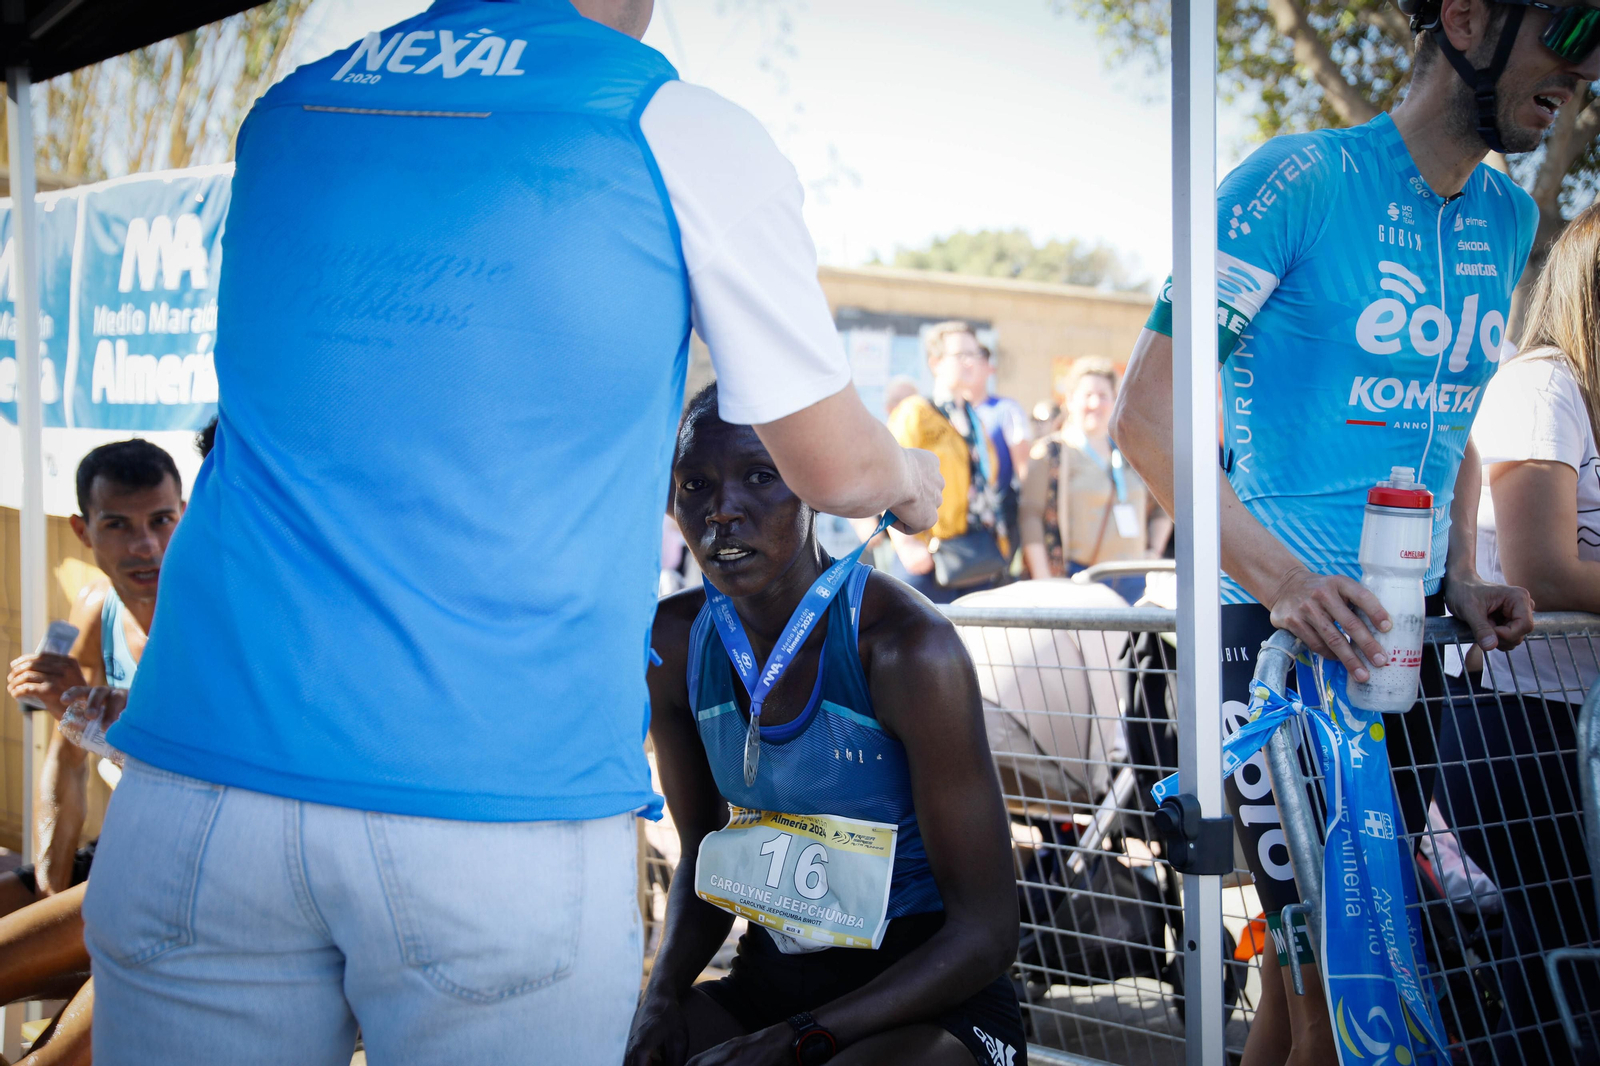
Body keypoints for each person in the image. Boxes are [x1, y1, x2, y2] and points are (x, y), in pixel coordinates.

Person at [84, 2, 942, 1063]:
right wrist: (919, 474)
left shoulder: (291, 106)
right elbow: (836, 467)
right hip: (493, 808)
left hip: (202, 783)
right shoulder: (670, 124)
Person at [1111, 1, 1600, 1060]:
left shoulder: (1507, 217)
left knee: (1307, 1002)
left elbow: (1452, 414)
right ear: (1466, 18)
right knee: (1341, 988)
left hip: (1405, 646)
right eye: (1569, 24)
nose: (1586, 63)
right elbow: (1144, 416)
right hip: (1275, 644)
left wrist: (1463, 570)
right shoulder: (1295, 180)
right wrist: (1282, 581)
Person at [624, 384, 1021, 1066]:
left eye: (760, 476)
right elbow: (703, 861)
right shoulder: (676, 642)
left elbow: (986, 933)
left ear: (817, 490)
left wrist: (797, 1040)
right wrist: (657, 1001)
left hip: (930, 998)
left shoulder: (905, 648)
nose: (722, 510)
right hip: (772, 980)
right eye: (695, 484)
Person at [1445, 201, 1600, 1064]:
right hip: (1522, 732)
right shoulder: (1545, 384)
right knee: (1554, 984)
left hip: (1581, 729)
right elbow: (1542, 570)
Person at [3, 440, 183, 913]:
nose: (146, 546)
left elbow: (200, 777)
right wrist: (48, 892)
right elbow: (67, 760)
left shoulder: (215, 618)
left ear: (185, 515)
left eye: (161, 521)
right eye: (118, 524)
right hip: (128, 842)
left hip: (200, 858)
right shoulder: (93, 607)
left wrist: (93, 721)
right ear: (83, 531)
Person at [886, 322, 1006, 603]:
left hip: (975, 558)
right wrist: (906, 546)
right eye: (960, 354)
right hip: (928, 560)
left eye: (975, 354)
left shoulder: (975, 420)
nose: (970, 361)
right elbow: (889, 477)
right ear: (936, 362)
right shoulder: (916, 413)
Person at [1019, 357, 1154, 603]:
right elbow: (1030, 516)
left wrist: (1154, 549)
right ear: (1070, 400)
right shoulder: (1051, 452)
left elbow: (1162, 506)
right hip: (1081, 579)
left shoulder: (1129, 452)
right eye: (1088, 395)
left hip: (1135, 580)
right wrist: (1044, 580)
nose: (1096, 403)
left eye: (1104, 395)